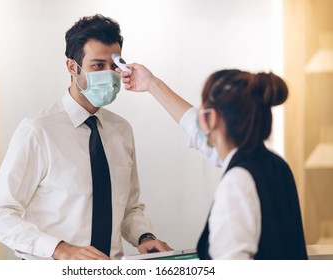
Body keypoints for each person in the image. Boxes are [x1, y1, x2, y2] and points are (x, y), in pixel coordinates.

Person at [0, 14, 172, 260]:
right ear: (72, 67)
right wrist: (60, 249)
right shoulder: (38, 131)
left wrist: (144, 237)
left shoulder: (121, 130)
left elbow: (128, 207)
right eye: (97, 65)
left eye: (114, 66)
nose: (110, 74)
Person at [119, 64, 308, 259]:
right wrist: (151, 83)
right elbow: (194, 127)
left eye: (202, 107)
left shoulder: (238, 181)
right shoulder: (275, 165)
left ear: (213, 117)